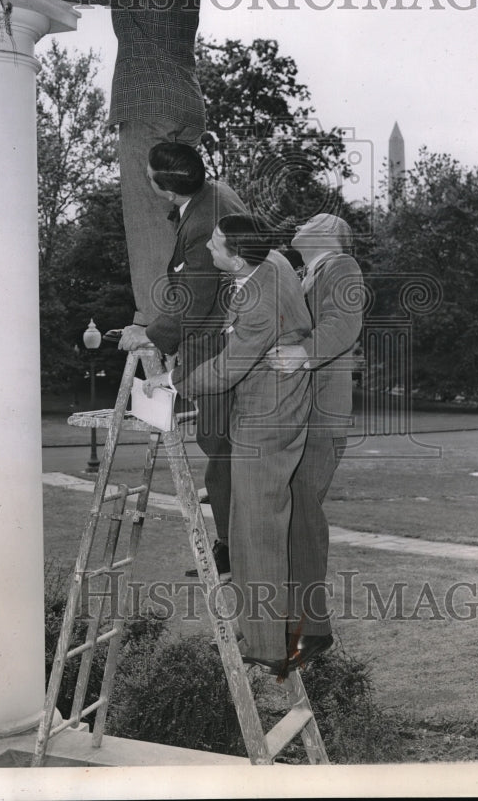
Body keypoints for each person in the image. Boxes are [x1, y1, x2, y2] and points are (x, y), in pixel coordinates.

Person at [144, 215, 329, 676]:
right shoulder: (271, 263)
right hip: (275, 409)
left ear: (238, 254)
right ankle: (289, 628)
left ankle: (268, 646)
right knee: (260, 526)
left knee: (254, 532)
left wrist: (173, 381)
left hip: (265, 419)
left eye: (217, 242)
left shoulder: (258, 299)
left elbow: (228, 368)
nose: (207, 245)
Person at [17, 0, 206, 327]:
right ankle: (192, 305)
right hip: (188, 107)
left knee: (146, 216)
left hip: (147, 107)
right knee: (180, 213)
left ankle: (158, 320)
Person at [119, 142, 247, 579]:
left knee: (221, 447)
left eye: (150, 173)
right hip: (223, 338)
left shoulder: (203, 220)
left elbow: (196, 295)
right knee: (224, 447)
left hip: (214, 346)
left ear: (165, 189)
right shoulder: (213, 195)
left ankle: (232, 549)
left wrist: (151, 332)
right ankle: (234, 540)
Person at [268, 212, 364, 649]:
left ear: (328, 234)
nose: (298, 224)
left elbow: (343, 326)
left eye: (308, 221)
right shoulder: (304, 273)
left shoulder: (341, 266)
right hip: (296, 415)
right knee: (292, 515)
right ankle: (292, 620)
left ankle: (313, 628)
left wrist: (302, 354)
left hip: (321, 416)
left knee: (304, 512)